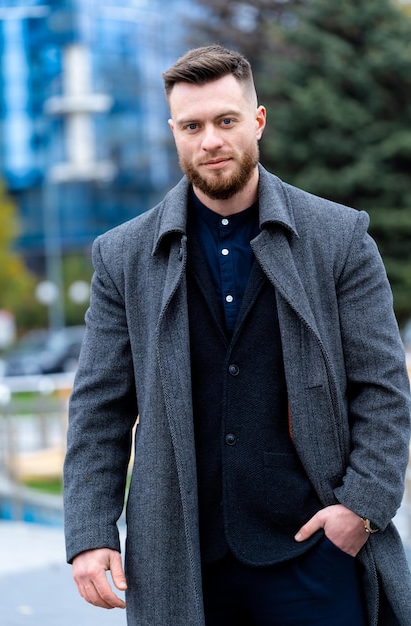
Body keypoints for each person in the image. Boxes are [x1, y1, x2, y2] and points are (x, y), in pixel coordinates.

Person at [64, 44, 411, 625]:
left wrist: (360, 508)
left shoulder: (339, 238)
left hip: (314, 553)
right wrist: (89, 531)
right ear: (173, 131)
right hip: (179, 561)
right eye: (192, 126)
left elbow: (382, 388)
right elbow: (99, 407)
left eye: (226, 121)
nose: (211, 141)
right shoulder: (123, 256)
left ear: (258, 120)